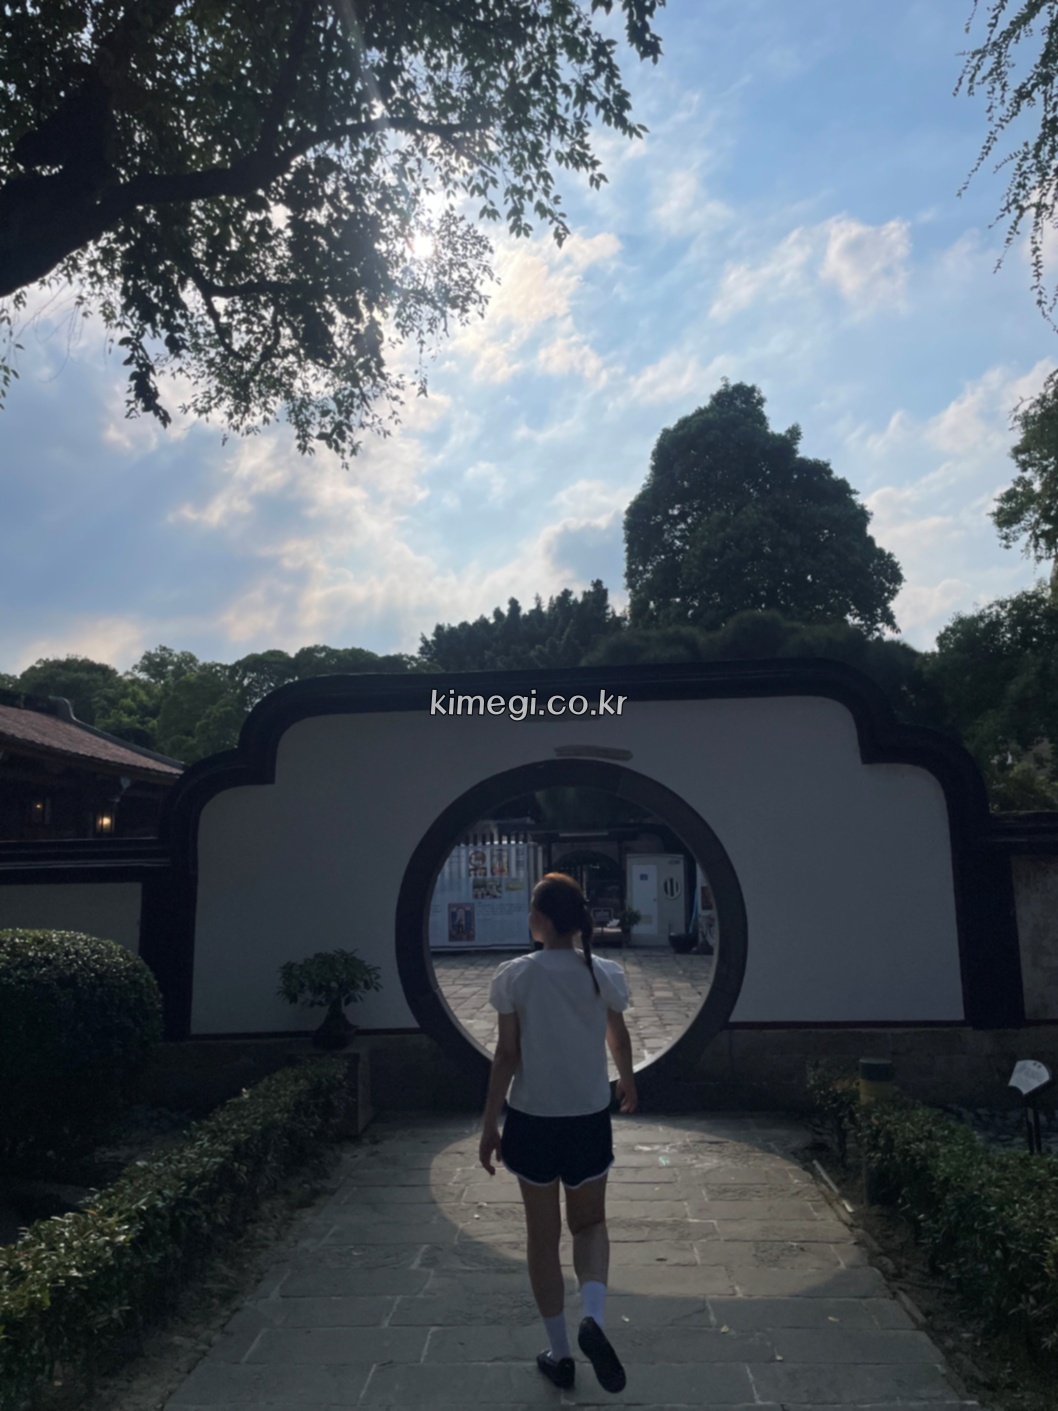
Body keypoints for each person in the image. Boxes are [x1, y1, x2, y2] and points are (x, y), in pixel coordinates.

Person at [478, 872, 637, 1394]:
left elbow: (507, 1055)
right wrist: (627, 1081)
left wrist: (489, 1122)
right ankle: (593, 1316)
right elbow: (618, 1036)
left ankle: (561, 1353)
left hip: (532, 1120)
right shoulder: (603, 972)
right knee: (590, 1224)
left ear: (540, 920)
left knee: (542, 1239)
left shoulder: (516, 976)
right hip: (588, 1118)